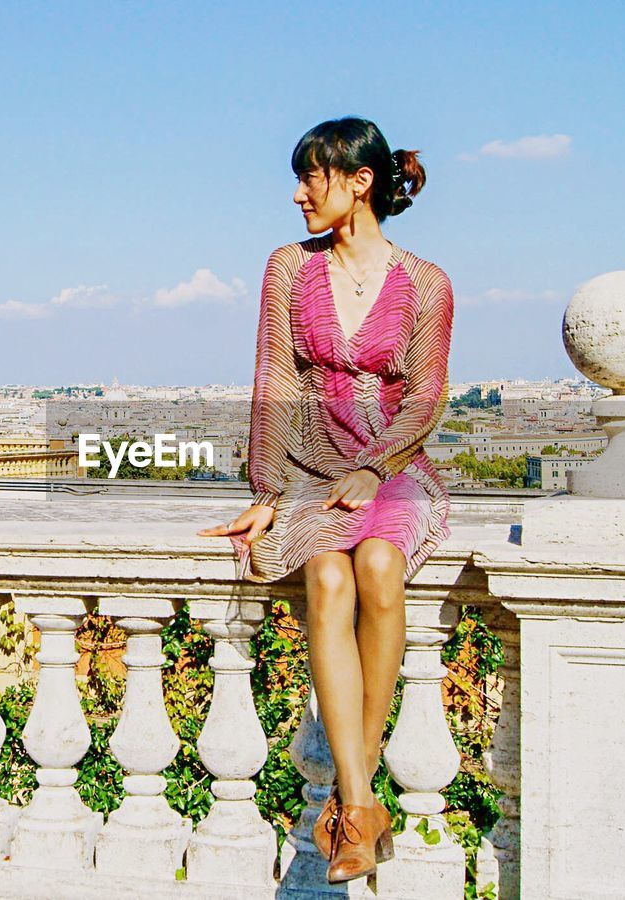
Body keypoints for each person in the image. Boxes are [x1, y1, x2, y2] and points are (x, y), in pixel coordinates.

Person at [197, 116, 455, 884]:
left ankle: (350, 804)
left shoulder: (427, 284)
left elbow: (427, 399)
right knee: (330, 577)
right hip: (310, 470)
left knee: (379, 565)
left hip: (395, 470)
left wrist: (377, 469)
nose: (301, 192)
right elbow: (275, 384)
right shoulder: (288, 269)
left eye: (314, 176)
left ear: (359, 182)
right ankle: (361, 804)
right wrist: (268, 490)